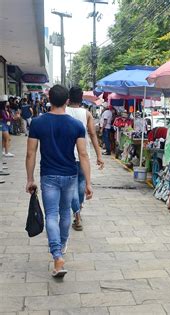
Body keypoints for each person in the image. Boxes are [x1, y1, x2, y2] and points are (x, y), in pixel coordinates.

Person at [26, 85, 93, 278]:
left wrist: (30, 179)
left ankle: (57, 255)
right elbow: (83, 154)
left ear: (49, 99)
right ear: (66, 101)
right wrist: (88, 182)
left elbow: (31, 153)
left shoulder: (38, 123)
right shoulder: (76, 125)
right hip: (70, 174)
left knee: (52, 215)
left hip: (48, 176)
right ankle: (61, 248)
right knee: (65, 213)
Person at [66, 86, 104, 231]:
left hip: (68, 155)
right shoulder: (87, 113)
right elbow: (93, 135)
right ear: (81, 98)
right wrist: (99, 155)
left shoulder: (64, 111)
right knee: (81, 184)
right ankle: (78, 212)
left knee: (72, 187)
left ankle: (77, 214)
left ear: (69, 98)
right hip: (83, 155)